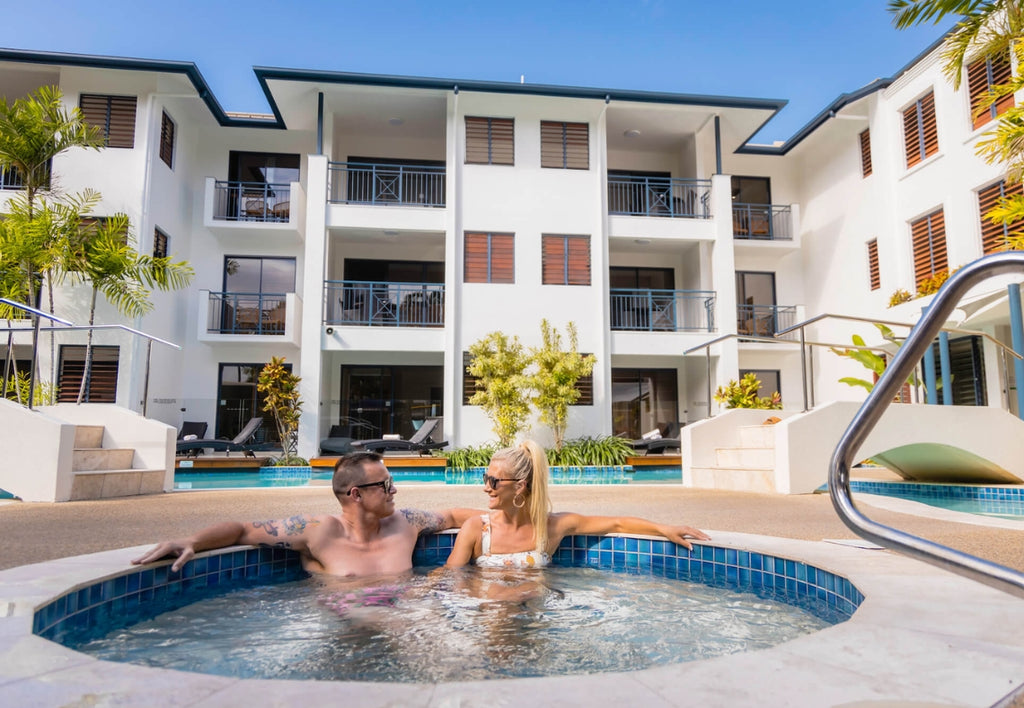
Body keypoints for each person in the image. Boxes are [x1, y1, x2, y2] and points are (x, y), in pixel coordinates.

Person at [132, 451, 480, 577]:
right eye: (386, 485)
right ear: (356, 495)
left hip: (407, 622)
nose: (395, 491)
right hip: (345, 632)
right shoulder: (317, 531)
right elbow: (241, 529)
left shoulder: (406, 523)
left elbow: (451, 515)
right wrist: (191, 541)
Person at [445, 440, 710, 568]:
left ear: (519, 485)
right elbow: (451, 578)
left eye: (493, 480)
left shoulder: (553, 526)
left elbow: (616, 523)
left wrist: (664, 529)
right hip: (490, 617)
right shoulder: (476, 530)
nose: (485, 486)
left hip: (534, 618)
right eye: (485, 478)